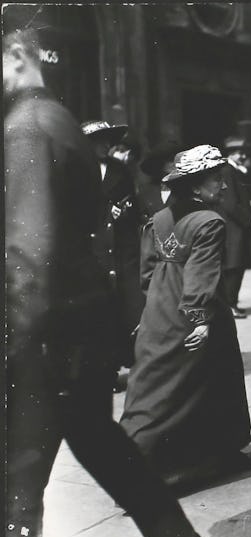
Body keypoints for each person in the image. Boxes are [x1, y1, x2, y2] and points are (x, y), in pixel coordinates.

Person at [4, 24, 221, 537]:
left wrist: (13, 348)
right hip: (74, 340)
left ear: (16, 53)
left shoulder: (27, 128)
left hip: (43, 347)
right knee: (111, 456)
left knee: (15, 487)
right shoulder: (55, 121)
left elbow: (30, 259)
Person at [120, 145, 251, 492]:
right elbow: (201, 272)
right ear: (195, 186)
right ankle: (216, 453)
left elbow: (148, 272)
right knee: (215, 379)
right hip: (198, 312)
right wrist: (199, 318)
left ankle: (174, 461)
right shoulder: (210, 221)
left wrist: (151, 309)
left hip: (161, 309)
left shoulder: (160, 217)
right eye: (216, 180)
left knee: (160, 385)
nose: (223, 187)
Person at [82, 119, 145, 369]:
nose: (106, 144)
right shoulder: (75, 169)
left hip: (122, 248)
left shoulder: (120, 170)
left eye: (109, 139)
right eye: (100, 140)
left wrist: (124, 212)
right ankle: (105, 366)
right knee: (99, 309)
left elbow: (134, 205)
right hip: (92, 249)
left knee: (128, 305)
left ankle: (127, 359)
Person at [219, 135, 251, 319]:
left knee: (236, 266)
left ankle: (231, 303)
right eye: (238, 153)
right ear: (231, 154)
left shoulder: (234, 171)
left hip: (235, 227)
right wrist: (250, 219)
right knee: (233, 267)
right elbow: (231, 204)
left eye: (243, 152)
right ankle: (230, 305)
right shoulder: (228, 171)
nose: (242, 156)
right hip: (233, 228)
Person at [137, 139, 181, 221]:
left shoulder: (186, 191)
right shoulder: (144, 191)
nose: (174, 164)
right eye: (170, 160)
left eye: (177, 160)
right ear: (159, 164)